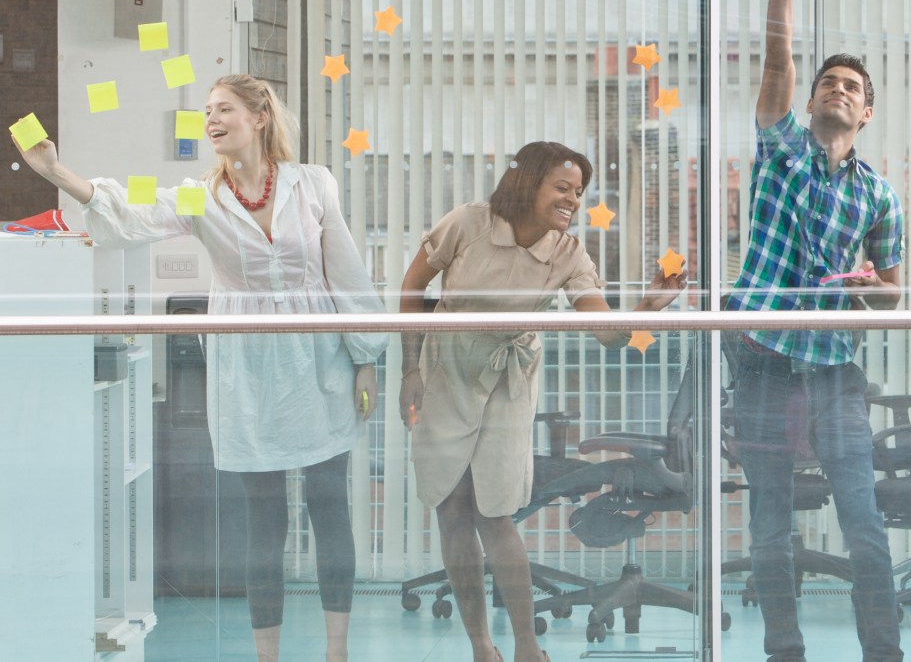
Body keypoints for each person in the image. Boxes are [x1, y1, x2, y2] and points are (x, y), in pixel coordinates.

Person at [15, 74, 385, 662]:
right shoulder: (201, 197)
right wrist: (58, 174)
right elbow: (129, 217)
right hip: (247, 368)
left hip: (319, 357)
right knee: (264, 520)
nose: (212, 120)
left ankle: (335, 652)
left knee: (328, 503)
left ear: (260, 116)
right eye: (207, 111)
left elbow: (346, 271)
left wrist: (366, 358)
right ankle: (269, 656)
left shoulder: (314, 185)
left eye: (224, 110)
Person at [397, 141, 685, 662]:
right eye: (562, 188)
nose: (572, 200)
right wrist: (409, 369)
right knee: (452, 506)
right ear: (528, 183)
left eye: (578, 192)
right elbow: (413, 287)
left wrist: (646, 306)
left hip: (509, 377)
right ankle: (482, 646)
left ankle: (527, 645)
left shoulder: (569, 252)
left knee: (495, 511)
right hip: (445, 370)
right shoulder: (468, 223)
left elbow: (606, 333)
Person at [721, 0, 905, 662]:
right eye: (829, 82)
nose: (836, 89)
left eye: (851, 88)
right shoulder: (782, 148)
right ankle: (783, 651)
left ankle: (882, 651)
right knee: (769, 518)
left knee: (862, 515)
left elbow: (892, 295)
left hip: (833, 365)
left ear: (865, 115)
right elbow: (777, 63)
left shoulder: (878, 194)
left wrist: (869, 291)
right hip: (762, 355)